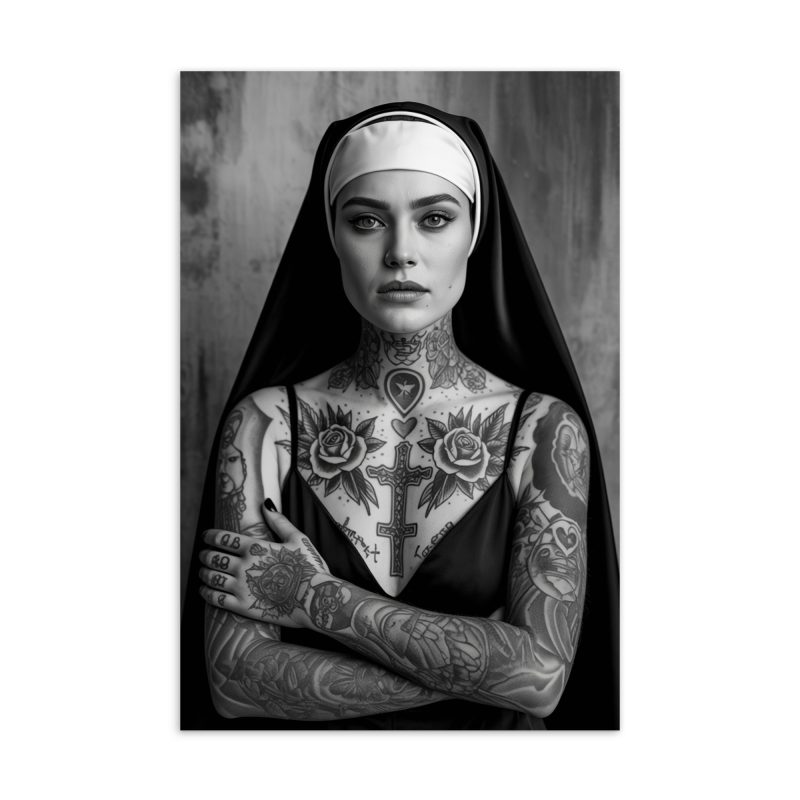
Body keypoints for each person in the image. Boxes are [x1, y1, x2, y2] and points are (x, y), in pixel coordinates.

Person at [181, 101, 619, 730]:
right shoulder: (263, 428)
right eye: (366, 221)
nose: (400, 253)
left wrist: (315, 597)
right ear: (332, 237)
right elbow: (235, 682)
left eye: (434, 219)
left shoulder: (543, 431)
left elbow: (541, 681)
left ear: (474, 234)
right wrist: (485, 670)